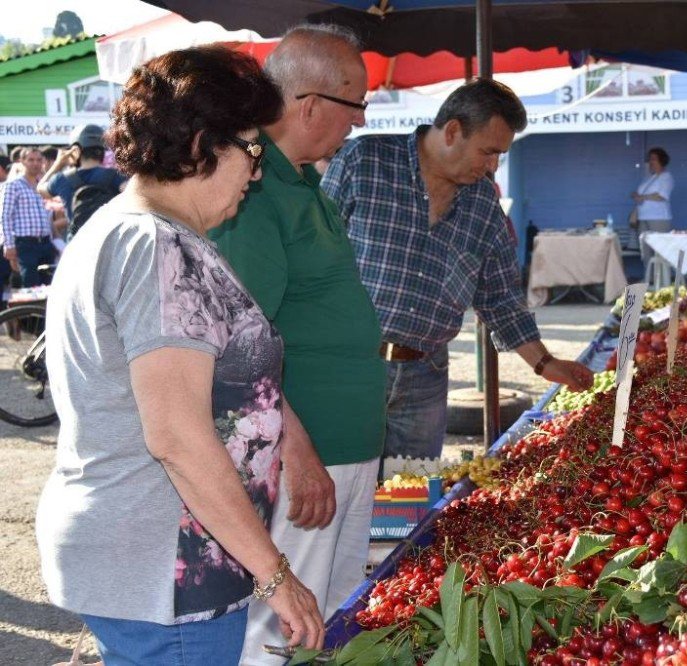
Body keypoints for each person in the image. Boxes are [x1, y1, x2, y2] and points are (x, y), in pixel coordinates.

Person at [35, 46, 324, 666]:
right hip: (163, 565)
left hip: (153, 556)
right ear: (201, 144)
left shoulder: (136, 230)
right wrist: (277, 576)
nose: (256, 172)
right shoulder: (158, 248)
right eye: (251, 151)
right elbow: (177, 435)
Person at [207, 26, 384, 665]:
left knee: (331, 616)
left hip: (347, 448)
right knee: (283, 628)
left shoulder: (308, 184)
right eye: (356, 105)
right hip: (311, 459)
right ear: (310, 105)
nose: (361, 122)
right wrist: (298, 451)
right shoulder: (256, 195)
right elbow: (240, 349)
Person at [322, 77, 595, 462]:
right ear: (452, 131)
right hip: (348, 370)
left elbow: (501, 299)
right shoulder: (363, 163)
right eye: (488, 152)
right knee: (339, 494)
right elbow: (311, 259)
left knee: (411, 502)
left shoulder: (483, 203)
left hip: (424, 380)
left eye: (500, 155)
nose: (493, 167)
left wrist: (546, 364)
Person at [37, 123, 128, 234]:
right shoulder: (115, 176)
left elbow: (40, 189)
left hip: (76, 245)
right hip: (107, 243)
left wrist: (58, 164)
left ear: (76, 151)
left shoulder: (62, 179)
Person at [0, 147, 55, 286]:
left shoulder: (42, 186)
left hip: (45, 242)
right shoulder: (13, 185)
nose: (35, 163)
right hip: (25, 244)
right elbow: (4, 216)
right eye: (30, 160)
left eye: (38, 160)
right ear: (22, 161)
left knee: (49, 285)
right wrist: (9, 245)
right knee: (31, 285)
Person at [631, 146, 674, 265]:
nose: (650, 161)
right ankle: (648, 278)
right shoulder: (649, 178)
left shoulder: (666, 177)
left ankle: (662, 279)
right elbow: (644, 195)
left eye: (653, 159)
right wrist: (637, 196)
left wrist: (642, 197)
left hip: (658, 218)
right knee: (645, 249)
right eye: (649, 159)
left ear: (661, 160)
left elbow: (661, 196)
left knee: (660, 249)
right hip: (643, 217)